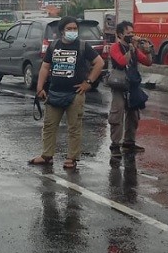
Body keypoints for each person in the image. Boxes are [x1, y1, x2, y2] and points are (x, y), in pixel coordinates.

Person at [29, 16, 105, 170]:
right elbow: (45, 67)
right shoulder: (54, 46)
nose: (72, 31)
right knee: (49, 126)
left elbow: (99, 63)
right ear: (62, 31)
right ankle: (46, 155)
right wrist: (39, 87)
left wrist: (88, 83)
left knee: (74, 127)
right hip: (54, 93)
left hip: (75, 94)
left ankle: (72, 158)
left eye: (75, 29)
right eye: (69, 29)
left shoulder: (83, 46)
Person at [108, 21, 153, 157]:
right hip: (119, 84)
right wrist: (130, 49)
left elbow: (147, 62)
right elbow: (121, 62)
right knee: (118, 113)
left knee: (133, 114)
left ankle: (129, 142)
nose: (131, 36)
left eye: (132, 33)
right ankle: (115, 145)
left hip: (132, 84)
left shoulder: (133, 48)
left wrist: (147, 49)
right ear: (120, 34)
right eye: (128, 33)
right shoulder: (115, 47)